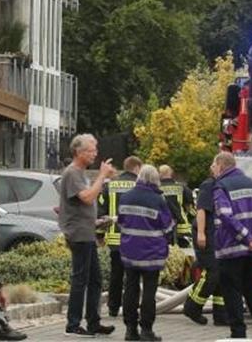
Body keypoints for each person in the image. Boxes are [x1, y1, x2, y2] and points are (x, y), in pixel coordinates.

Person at [211, 151, 252, 339]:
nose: (212, 169)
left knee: (231, 291)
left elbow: (225, 215)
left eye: (214, 166)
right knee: (251, 289)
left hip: (231, 249)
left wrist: (247, 238)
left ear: (222, 166)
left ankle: (238, 333)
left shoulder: (221, 186)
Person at [59, 133, 117, 336]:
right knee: (80, 279)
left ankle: (93, 322)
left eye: (95, 150)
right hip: (79, 234)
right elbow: (87, 197)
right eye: (91, 150)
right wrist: (101, 176)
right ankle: (73, 325)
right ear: (79, 152)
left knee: (95, 280)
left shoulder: (80, 173)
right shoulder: (73, 173)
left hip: (87, 232)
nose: (95, 154)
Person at [117, 165, 173, 342]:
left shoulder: (125, 197)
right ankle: (146, 330)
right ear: (155, 179)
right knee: (149, 292)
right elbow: (168, 226)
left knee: (130, 290)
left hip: (130, 253)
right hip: (152, 254)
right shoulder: (158, 200)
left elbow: (121, 222)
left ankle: (130, 330)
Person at [96, 156, 143, 318]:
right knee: (133, 276)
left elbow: (101, 213)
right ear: (137, 168)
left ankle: (113, 308)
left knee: (116, 274)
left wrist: (100, 235)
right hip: (135, 238)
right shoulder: (140, 185)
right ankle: (132, 307)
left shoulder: (109, 186)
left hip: (115, 239)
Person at [182, 171, 228, 327]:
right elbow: (201, 210)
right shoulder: (208, 185)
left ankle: (221, 315)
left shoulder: (221, 185)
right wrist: (201, 233)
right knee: (212, 272)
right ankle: (192, 306)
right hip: (205, 235)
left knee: (221, 274)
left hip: (215, 235)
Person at [158, 164, 195, 248]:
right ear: (171, 173)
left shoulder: (156, 188)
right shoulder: (181, 187)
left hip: (162, 227)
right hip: (182, 227)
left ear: (159, 174)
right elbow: (190, 206)